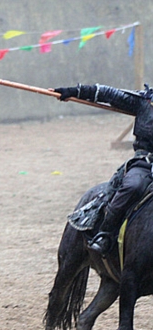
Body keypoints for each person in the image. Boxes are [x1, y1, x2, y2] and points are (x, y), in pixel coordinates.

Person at [54, 82, 153, 255]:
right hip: (146, 163)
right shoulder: (144, 101)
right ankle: (106, 233)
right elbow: (107, 93)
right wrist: (74, 92)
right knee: (133, 186)